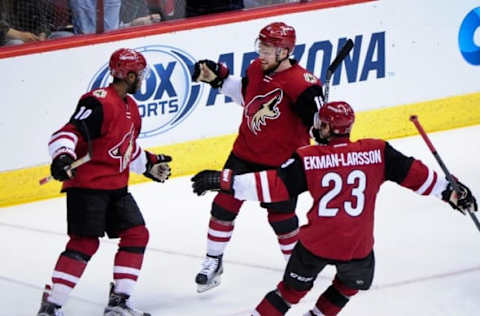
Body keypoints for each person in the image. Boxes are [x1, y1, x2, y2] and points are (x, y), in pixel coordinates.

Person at [190, 101, 478, 315]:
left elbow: (275, 185)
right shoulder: (377, 151)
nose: (317, 127)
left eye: (322, 124)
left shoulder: (309, 157)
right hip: (358, 247)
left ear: (328, 127)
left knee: (290, 292)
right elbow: (416, 175)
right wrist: (451, 191)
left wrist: (224, 179)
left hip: (316, 245)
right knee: (348, 285)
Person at [36, 48, 172, 316]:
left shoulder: (131, 107)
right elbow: (68, 132)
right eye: (140, 74)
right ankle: (51, 306)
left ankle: (119, 302)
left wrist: (149, 163)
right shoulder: (98, 102)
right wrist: (62, 156)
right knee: (84, 243)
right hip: (88, 188)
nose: (143, 79)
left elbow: (123, 148)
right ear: (129, 75)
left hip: (116, 189)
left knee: (136, 234)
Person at [191, 21, 324, 292]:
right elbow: (246, 95)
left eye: (268, 49)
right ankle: (213, 261)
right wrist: (218, 80)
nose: (261, 53)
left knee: (282, 220)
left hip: (282, 163)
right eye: (260, 46)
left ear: (285, 52)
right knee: (223, 206)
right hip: (244, 153)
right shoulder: (255, 68)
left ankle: (296, 267)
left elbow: (322, 130)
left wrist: (321, 129)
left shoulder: (302, 84)